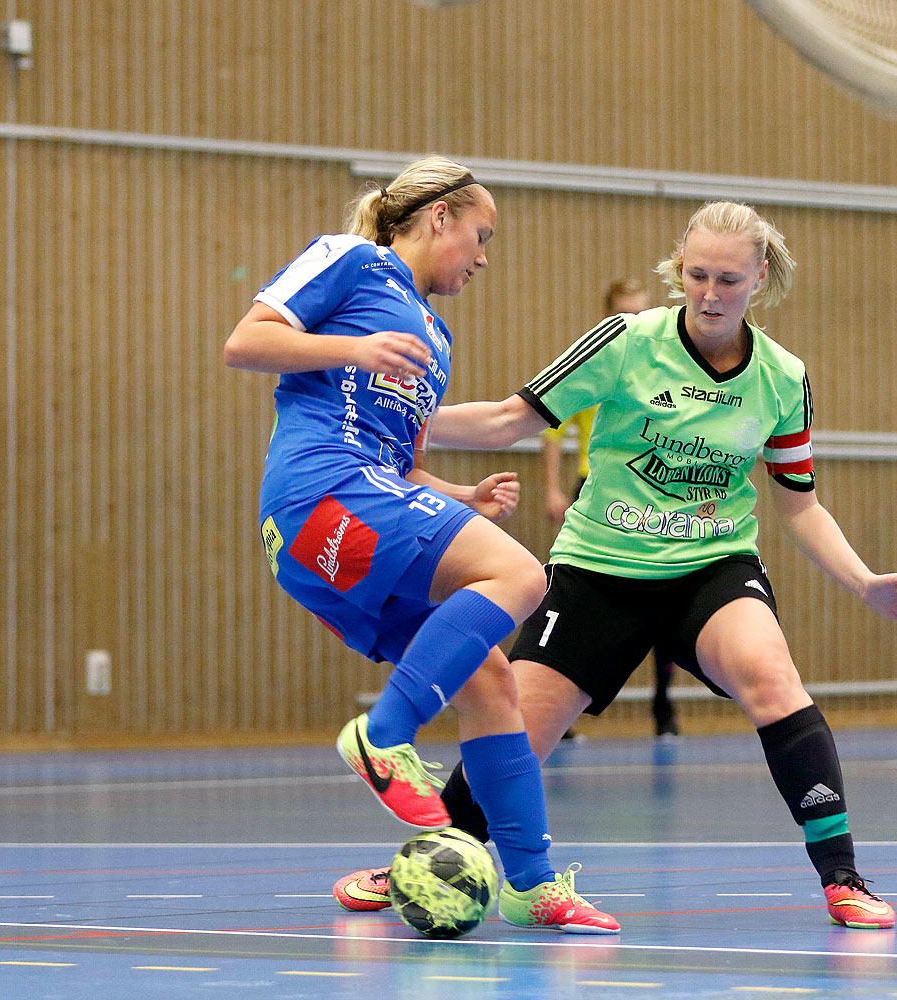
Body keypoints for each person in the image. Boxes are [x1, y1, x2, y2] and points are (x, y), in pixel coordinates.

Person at [332, 201, 897, 930]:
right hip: (598, 571)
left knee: (772, 678)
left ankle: (842, 876)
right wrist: (393, 419)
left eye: (728, 279)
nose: (710, 294)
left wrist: (864, 581)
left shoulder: (782, 378)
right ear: (679, 269)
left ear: (761, 277)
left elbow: (799, 504)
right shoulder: (625, 342)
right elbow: (508, 419)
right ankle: (435, 856)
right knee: (516, 732)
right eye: (696, 275)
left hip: (710, 569)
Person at [224, 155, 617, 933]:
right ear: (438, 216)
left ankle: (534, 886)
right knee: (521, 575)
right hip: (319, 492)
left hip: (354, 513)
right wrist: (352, 350)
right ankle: (384, 733)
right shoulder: (354, 260)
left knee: (492, 680)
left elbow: (397, 468)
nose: (482, 257)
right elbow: (246, 341)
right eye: (479, 234)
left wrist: (460, 497)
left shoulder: (434, 336)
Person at [543, 278, 680, 740]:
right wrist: (553, 489)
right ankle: (559, 712)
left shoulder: (662, 367)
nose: (634, 322)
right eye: (626, 313)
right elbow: (551, 428)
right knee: (579, 598)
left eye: (642, 312)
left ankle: (664, 705)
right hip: (595, 488)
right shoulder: (594, 363)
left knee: (665, 593)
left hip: (650, 495)